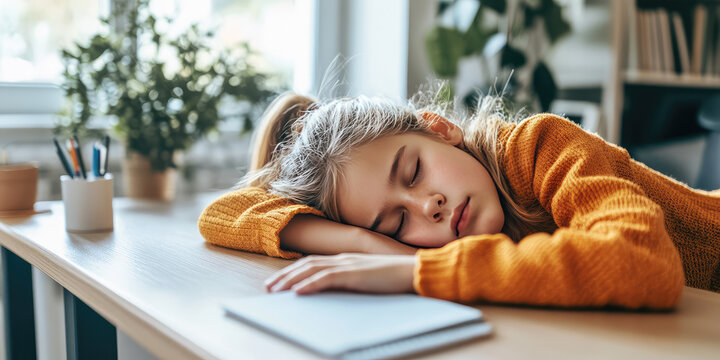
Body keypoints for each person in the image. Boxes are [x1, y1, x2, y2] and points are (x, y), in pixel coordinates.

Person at [198, 90, 720, 309]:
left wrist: (410, 269)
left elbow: (641, 264)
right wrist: (357, 240)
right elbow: (221, 215)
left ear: (441, 129)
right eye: (396, 222)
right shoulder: (430, 238)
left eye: (414, 171)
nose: (428, 207)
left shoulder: (541, 147)